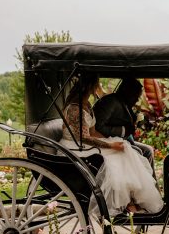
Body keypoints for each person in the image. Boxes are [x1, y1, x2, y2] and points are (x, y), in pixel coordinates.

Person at [59, 72, 163, 217]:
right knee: (117, 156)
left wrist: (111, 142)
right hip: (76, 147)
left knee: (124, 149)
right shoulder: (75, 109)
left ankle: (132, 200)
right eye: (96, 84)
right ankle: (127, 202)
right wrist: (110, 146)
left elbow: (94, 132)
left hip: (85, 143)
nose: (98, 86)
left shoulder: (86, 104)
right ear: (90, 86)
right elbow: (84, 138)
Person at [93, 76, 155, 170]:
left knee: (148, 150)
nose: (137, 100)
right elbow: (98, 126)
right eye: (136, 96)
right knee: (138, 151)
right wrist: (123, 130)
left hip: (124, 140)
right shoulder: (111, 102)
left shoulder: (125, 103)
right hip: (109, 141)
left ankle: (152, 182)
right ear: (128, 93)